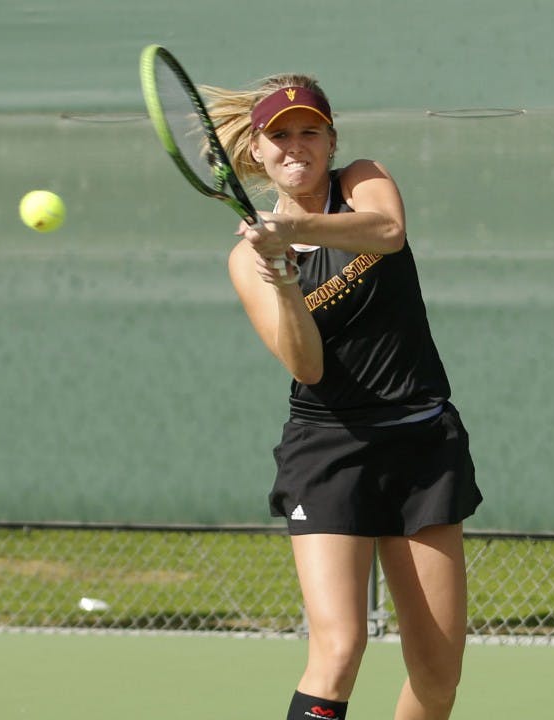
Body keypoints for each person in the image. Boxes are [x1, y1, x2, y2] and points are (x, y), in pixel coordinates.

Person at [204, 75, 483, 720]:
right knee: (338, 648)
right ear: (257, 150)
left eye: (310, 131)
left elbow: (386, 230)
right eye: (280, 135)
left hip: (421, 441)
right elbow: (306, 363)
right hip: (330, 448)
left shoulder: (363, 179)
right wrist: (281, 277)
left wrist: (298, 226)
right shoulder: (247, 260)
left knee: (439, 675)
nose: (295, 146)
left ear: (332, 141)